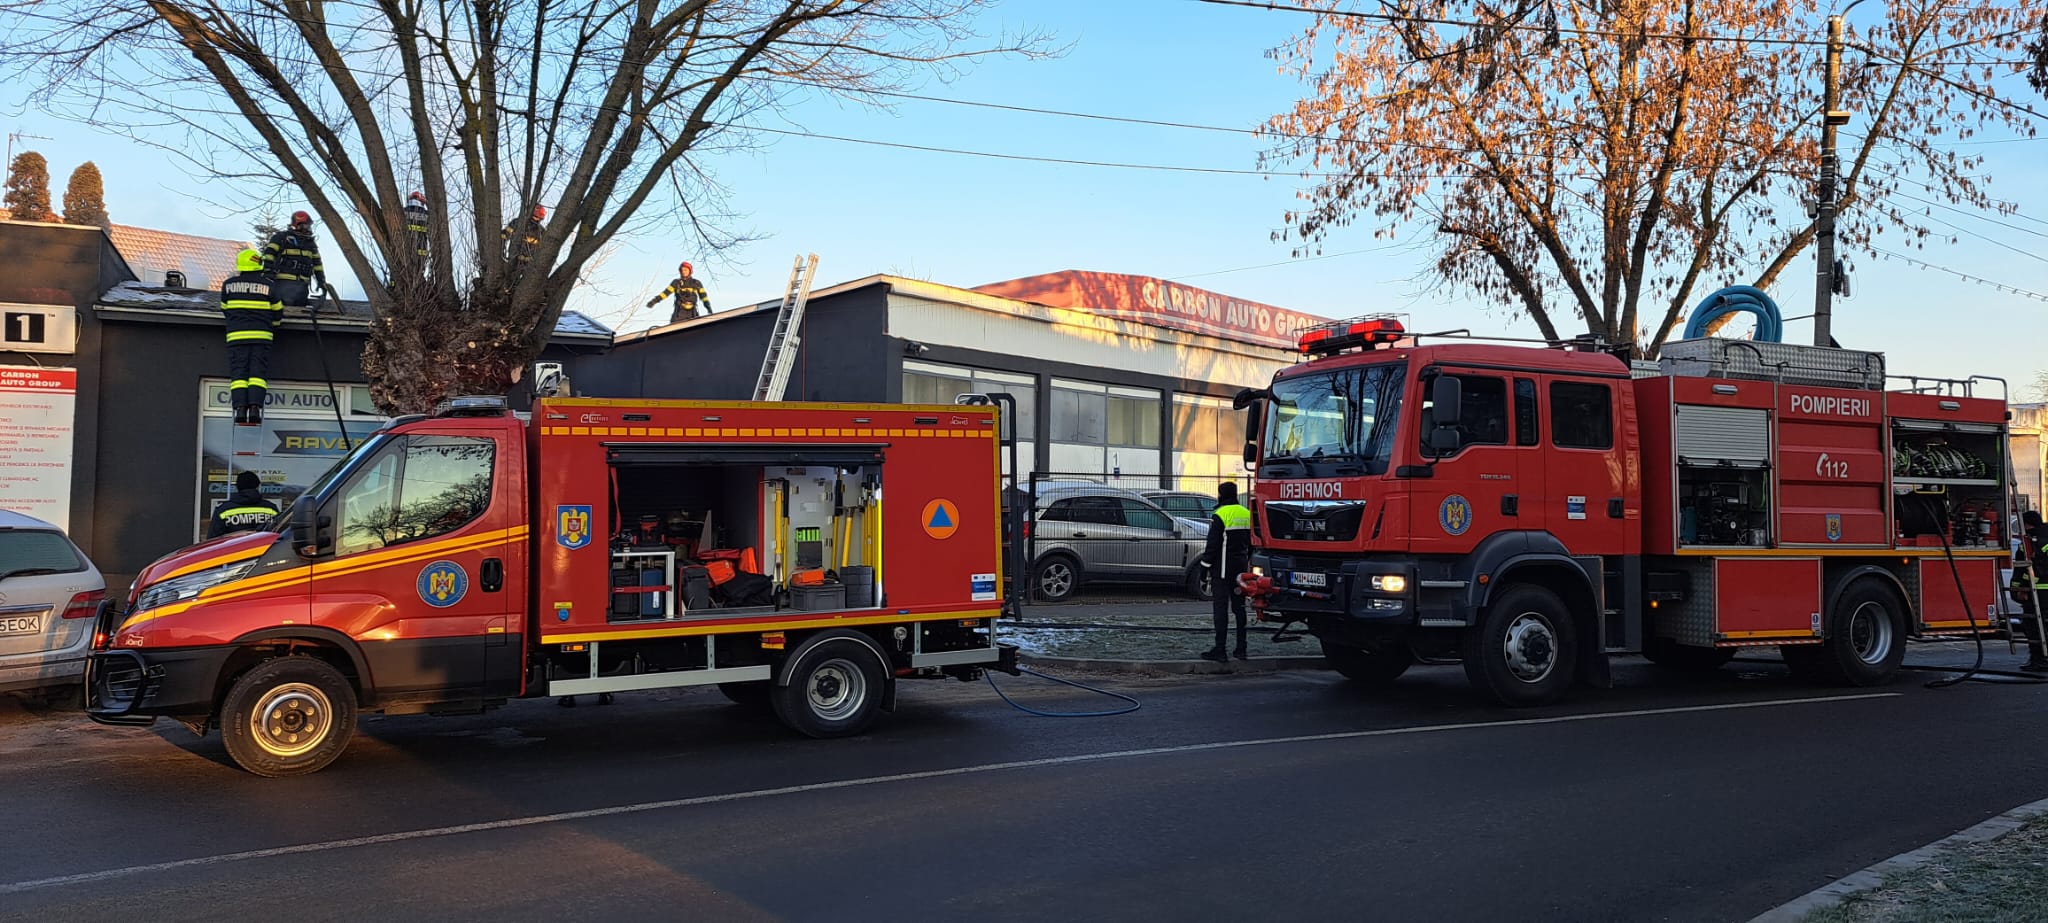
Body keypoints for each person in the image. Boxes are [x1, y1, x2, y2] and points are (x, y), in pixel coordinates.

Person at [220, 248, 283, 425]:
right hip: (261, 337)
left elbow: (224, 309)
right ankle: (255, 408)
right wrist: (273, 326)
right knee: (257, 374)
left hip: (236, 337)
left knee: (239, 375)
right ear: (258, 264)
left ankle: (240, 410)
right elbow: (278, 312)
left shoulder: (228, 285)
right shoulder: (269, 285)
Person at [1200, 481, 1254, 662]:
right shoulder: (1247, 514)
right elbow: (1253, 543)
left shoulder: (1220, 515)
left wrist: (1204, 569)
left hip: (1221, 571)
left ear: (1221, 495)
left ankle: (1220, 650)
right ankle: (1242, 648)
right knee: (1239, 609)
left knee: (1221, 609)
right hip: (1240, 570)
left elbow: (1212, 546)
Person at [260, 210, 327, 307]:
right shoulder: (281, 238)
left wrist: (321, 281)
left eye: (309, 225)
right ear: (297, 225)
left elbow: (317, 265)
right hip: (283, 283)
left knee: (299, 310)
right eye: (306, 225)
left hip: (302, 285)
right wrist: (268, 273)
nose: (308, 228)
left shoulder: (310, 243)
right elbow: (268, 255)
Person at [2009, 510, 2048, 673]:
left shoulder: (2029, 542)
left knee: (2033, 626)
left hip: (2036, 592)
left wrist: (2021, 587)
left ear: (2028, 524)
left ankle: (2039, 660)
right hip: (2043, 591)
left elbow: (2028, 567)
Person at [210, 471, 279, 538]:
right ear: (257, 486)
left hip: (235, 549)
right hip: (266, 549)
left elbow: (213, 539)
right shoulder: (271, 508)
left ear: (237, 487)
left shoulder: (223, 510)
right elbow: (279, 535)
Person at [648, 261, 712, 323]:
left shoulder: (696, 283)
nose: (683, 272)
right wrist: (654, 301)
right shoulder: (676, 283)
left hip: (693, 313)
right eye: (682, 270)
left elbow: (704, 297)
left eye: (685, 270)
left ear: (690, 271)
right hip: (679, 312)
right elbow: (665, 293)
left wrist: (708, 307)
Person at [503, 204, 546, 284]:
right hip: (514, 259)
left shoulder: (541, 231)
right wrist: (501, 251)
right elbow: (504, 235)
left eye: (538, 218)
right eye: (535, 217)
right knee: (509, 282)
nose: (536, 219)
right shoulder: (518, 223)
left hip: (529, 264)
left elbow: (544, 250)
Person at [402, 191, 431, 275]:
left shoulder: (401, 212)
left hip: (404, 249)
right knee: (419, 272)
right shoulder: (427, 214)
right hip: (421, 248)